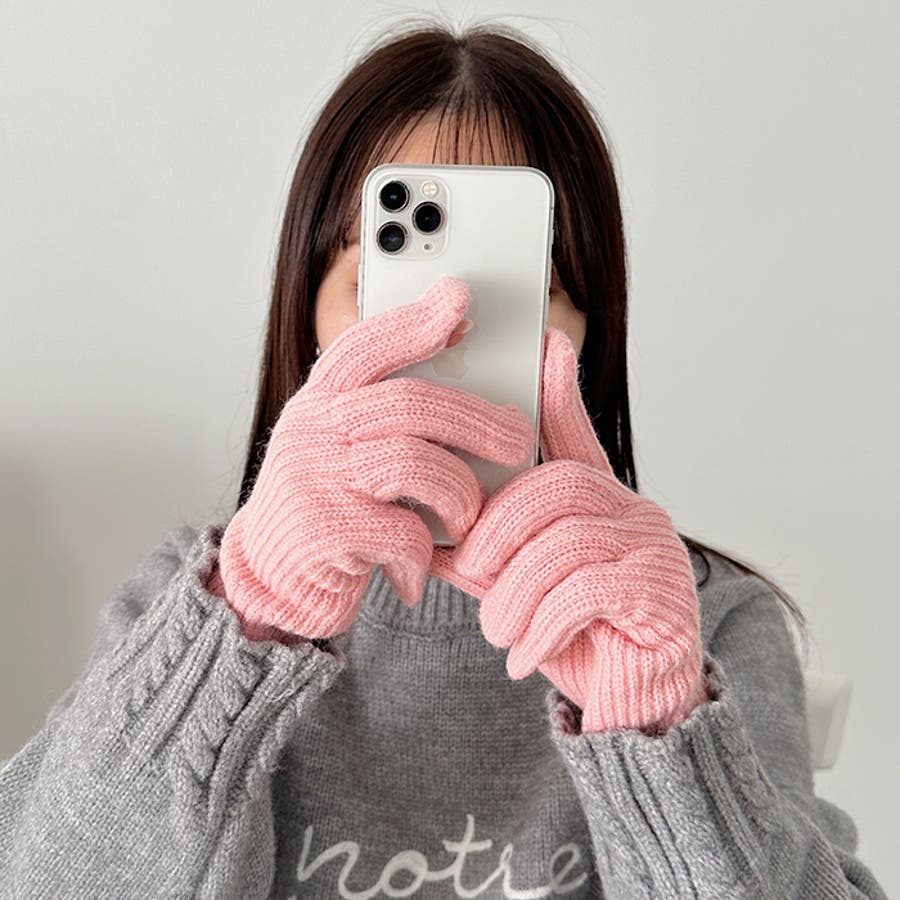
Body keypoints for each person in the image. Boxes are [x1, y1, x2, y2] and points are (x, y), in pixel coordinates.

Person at [0, 19, 888, 900]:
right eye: (387, 281)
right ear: (307, 318)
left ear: (592, 333)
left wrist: (658, 727)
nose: (448, 326)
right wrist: (242, 628)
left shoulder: (707, 626)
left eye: (522, 288)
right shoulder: (189, 603)